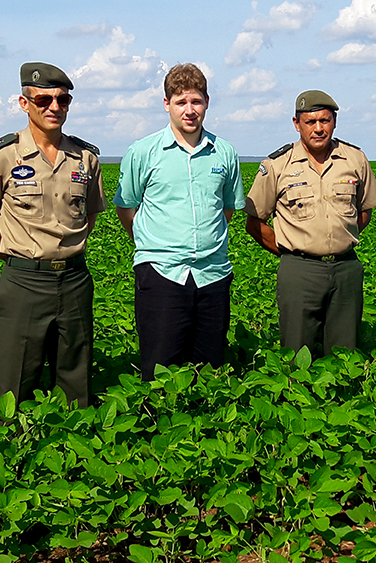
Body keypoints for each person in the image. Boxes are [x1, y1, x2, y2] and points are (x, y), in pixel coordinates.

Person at [0, 62, 106, 408]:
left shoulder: (85, 157)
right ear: (24, 102)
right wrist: (19, 255)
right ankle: (14, 454)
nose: (54, 108)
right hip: (24, 284)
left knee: (76, 382)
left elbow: (88, 215)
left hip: (74, 280)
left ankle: (70, 455)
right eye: (44, 100)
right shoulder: (2, 155)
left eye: (62, 100)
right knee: (16, 383)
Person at [113, 63, 244, 380]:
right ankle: (158, 428)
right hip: (161, 273)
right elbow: (126, 207)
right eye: (181, 102)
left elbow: (226, 210)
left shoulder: (224, 153)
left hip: (212, 274)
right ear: (166, 104)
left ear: (207, 102)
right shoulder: (143, 152)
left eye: (196, 101)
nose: (189, 110)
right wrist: (154, 243)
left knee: (210, 369)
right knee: (160, 370)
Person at [245, 90, 376, 358]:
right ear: (297, 124)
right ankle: (298, 400)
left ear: (334, 122)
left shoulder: (355, 159)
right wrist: (291, 251)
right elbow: (254, 222)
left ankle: (344, 398)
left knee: (346, 353)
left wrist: (339, 237)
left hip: (346, 268)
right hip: (299, 271)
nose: (319, 129)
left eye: (325, 121)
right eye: (311, 122)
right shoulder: (277, 165)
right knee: (297, 353)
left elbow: (365, 210)